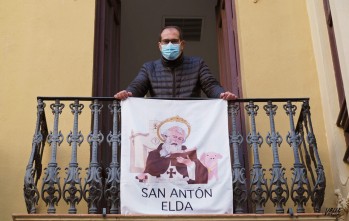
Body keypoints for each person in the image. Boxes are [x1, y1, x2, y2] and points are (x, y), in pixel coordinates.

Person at [114, 26, 238, 100]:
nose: (170, 44)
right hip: (161, 122)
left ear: (182, 44)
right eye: (166, 41)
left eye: (174, 41)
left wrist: (221, 94)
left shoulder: (197, 64)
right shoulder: (149, 68)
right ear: (160, 46)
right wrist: (128, 93)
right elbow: (138, 86)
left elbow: (210, 85)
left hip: (190, 122)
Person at [136, 125, 208, 184]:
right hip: (160, 193)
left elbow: (203, 175)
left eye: (180, 139)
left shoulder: (188, 154)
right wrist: (169, 156)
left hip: (182, 193)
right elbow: (150, 171)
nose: (176, 140)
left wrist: (189, 163)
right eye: (174, 137)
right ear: (165, 137)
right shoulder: (154, 154)